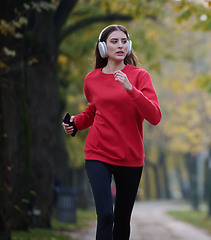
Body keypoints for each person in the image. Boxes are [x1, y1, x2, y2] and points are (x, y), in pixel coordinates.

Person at [62, 24, 161, 240]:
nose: (120, 45)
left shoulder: (140, 77)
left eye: (124, 41)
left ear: (129, 45)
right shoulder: (91, 79)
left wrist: (130, 89)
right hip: (99, 153)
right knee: (106, 215)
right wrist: (76, 123)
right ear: (103, 48)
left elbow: (154, 116)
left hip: (130, 157)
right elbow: (94, 110)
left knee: (122, 220)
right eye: (114, 41)